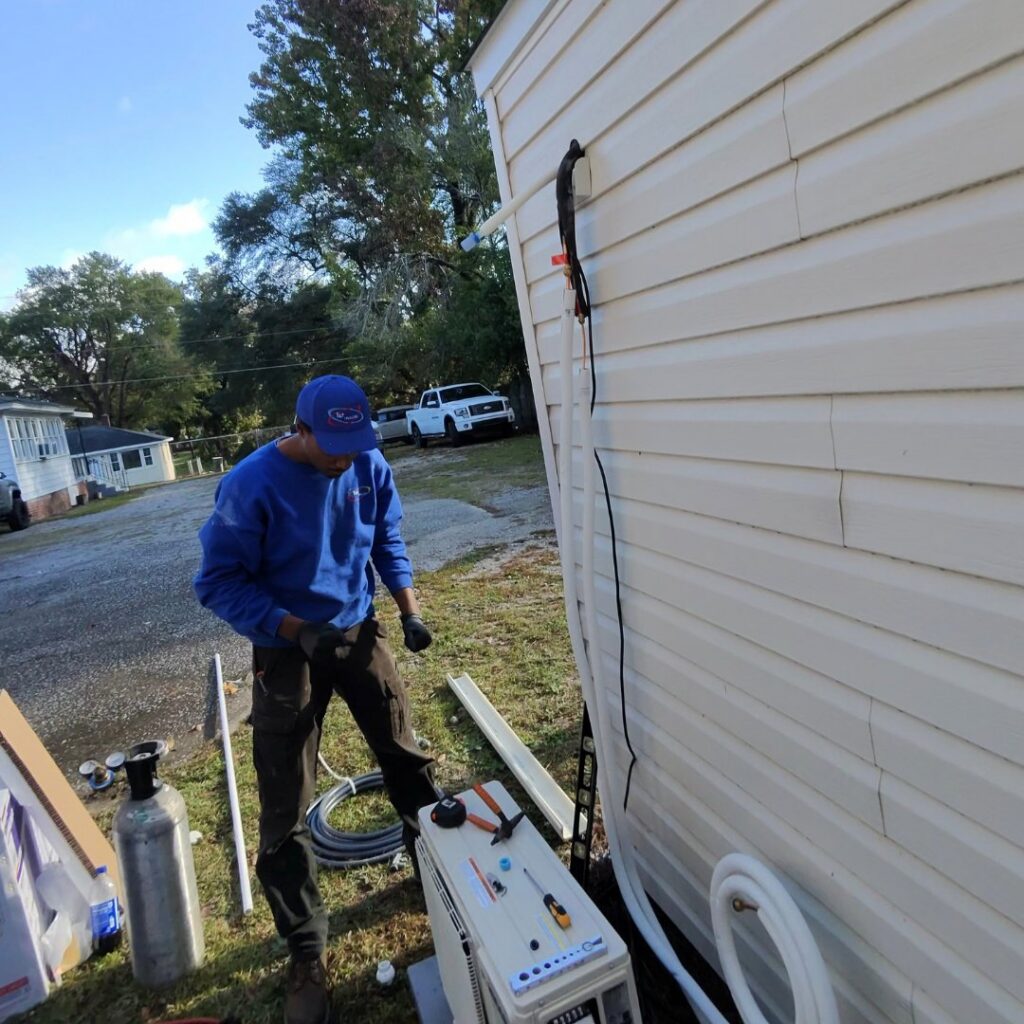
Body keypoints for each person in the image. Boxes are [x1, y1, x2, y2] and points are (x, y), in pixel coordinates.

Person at [194, 374, 437, 1024]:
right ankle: (306, 951)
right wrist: (295, 629)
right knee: (285, 801)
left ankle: (438, 872)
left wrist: (408, 609)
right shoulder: (250, 485)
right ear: (299, 430)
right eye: (332, 446)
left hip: (356, 628)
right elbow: (217, 581)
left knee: (404, 753)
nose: (344, 458)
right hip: (285, 648)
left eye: (354, 445)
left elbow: (385, 538)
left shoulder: (366, 463)